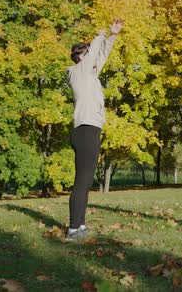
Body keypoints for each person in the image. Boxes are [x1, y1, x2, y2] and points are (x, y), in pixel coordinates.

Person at [66, 19, 124, 240]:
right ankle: (73, 228)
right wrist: (99, 36)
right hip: (85, 130)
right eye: (88, 53)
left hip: (92, 129)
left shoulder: (90, 75)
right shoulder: (76, 71)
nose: (92, 56)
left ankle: (80, 226)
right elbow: (93, 56)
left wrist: (112, 36)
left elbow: (101, 57)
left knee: (86, 180)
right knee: (82, 181)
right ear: (81, 56)